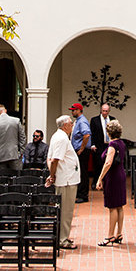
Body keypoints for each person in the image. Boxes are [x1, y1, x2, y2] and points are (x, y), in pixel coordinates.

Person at [45, 114, 80, 249]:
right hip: (66, 180)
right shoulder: (61, 138)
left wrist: (52, 174)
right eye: (71, 123)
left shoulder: (59, 136)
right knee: (66, 211)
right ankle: (62, 240)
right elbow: (54, 160)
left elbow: (51, 159)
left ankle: (63, 237)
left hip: (67, 178)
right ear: (65, 125)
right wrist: (53, 175)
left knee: (65, 211)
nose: (72, 125)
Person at [95, 118, 129, 245]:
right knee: (119, 206)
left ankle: (110, 236)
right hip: (121, 175)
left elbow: (108, 162)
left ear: (109, 132)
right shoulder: (122, 143)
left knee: (112, 207)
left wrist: (100, 178)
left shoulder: (112, 145)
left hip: (113, 177)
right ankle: (119, 233)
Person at [0, 103, 25, 172]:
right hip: (14, 154)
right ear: (5, 110)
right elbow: (22, 138)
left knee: (1, 179)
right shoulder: (16, 121)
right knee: (16, 179)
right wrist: (20, 152)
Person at [70, 102, 93, 202]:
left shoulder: (82, 121)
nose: (72, 112)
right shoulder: (78, 121)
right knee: (79, 172)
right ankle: (80, 193)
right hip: (79, 150)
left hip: (82, 151)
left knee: (83, 172)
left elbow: (87, 135)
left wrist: (82, 148)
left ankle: (83, 195)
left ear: (79, 110)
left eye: (74, 110)